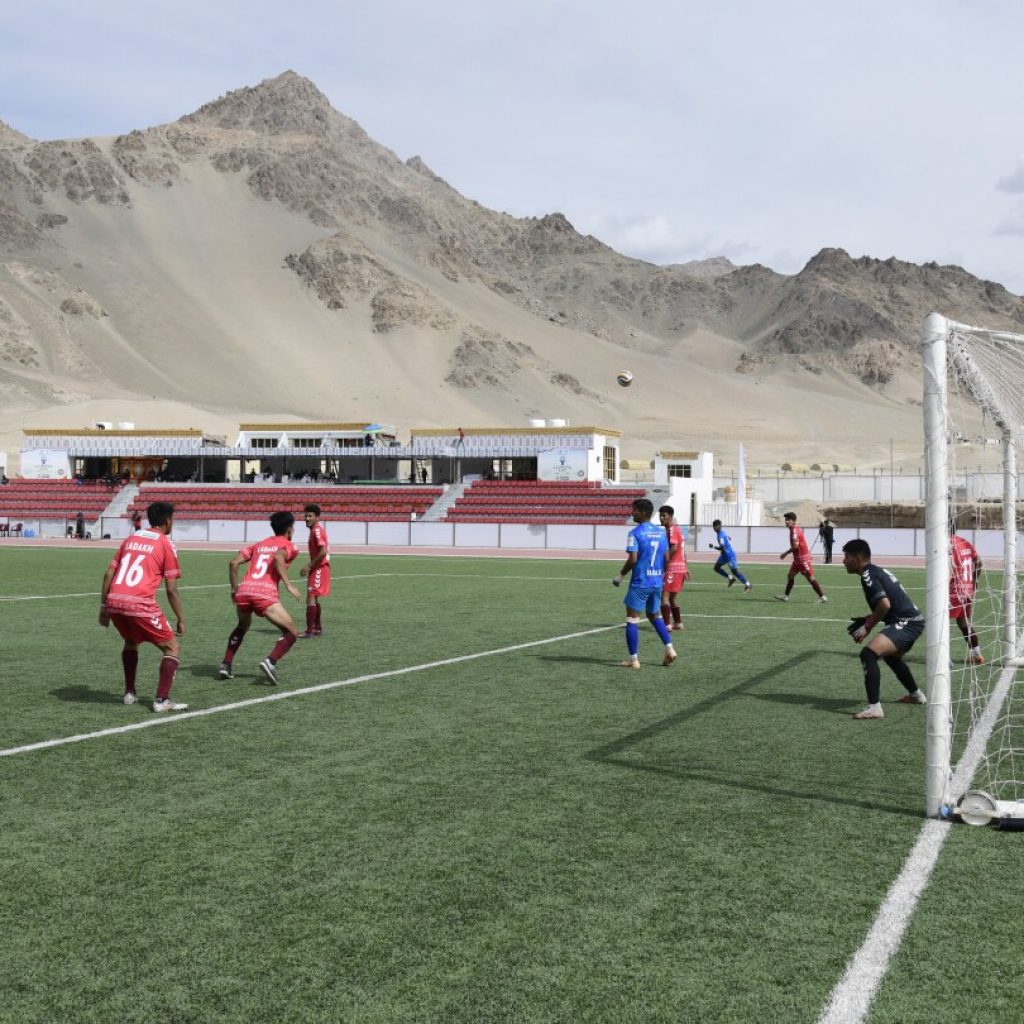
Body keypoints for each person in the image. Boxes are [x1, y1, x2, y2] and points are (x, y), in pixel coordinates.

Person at [98, 500, 187, 712]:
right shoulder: (166, 544)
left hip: (115, 601)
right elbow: (172, 589)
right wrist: (181, 618)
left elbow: (109, 573)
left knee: (131, 641)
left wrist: (104, 606)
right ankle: (161, 700)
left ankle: (129, 693)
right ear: (168, 520)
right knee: (172, 647)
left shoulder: (132, 538)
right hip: (139, 602)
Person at [842, 538, 926, 719]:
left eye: (846, 557)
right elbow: (889, 605)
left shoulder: (868, 576)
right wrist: (867, 619)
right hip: (913, 620)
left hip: (907, 621)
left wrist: (867, 626)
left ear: (857, 558)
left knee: (868, 654)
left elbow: (884, 605)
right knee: (890, 657)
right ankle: (916, 694)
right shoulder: (875, 571)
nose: (843, 561)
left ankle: (875, 708)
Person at [219, 511, 301, 685]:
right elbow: (279, 557)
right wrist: (288, 584)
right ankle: (270, 662)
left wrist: (234, 589)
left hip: (244, 590)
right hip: (264, 594)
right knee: (292, 632)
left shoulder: (259, 544)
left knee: (242, 626)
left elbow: (233, 563)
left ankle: (226, 664)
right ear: (289, 530)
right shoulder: (290, 545)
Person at [613, 498, 677, 669]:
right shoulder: (661, 532)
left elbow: (633, 559)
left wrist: (620, 575)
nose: (631, 513)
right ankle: (669, 648)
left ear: (642, 512)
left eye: (634, 510)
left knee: (632, 620)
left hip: (640, 583)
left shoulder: (635, 533)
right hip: (656, 582)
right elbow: (666, 558)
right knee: (654, 616)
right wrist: (660, 575)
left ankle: (633, 660)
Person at [950, 522, 984, 664]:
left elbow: (948, 569)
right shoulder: (964, 542)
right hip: (968, 589)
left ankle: (944, 660)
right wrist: (974, 581)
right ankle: (977, 656)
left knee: (940, 624)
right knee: (963, 622)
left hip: (953, 591)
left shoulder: (946, 544)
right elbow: (980, 563)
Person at [775, 512, 827, 602]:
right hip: (798, 560)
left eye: (788, 520)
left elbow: (796, 546)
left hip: (802, 561)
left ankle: (822, 597)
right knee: (790, 575)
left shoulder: (794, 531)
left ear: (793, 521)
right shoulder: (795, 529)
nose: (786, 522)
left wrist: (785, 553)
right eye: (785, 520)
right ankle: (786, 596)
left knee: (810, 578)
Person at [298, 503, 330, 638]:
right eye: (305, 516)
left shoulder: (316, 531)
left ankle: (309, 631)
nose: (306, 518)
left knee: (311, 598)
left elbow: (323, 551)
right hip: (317, 568)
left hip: (319, 568)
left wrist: (309, 566)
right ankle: (317, 628)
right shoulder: (314, 530)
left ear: (317, 517)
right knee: (312, 598)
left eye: (310, 516)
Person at [658, 505, 689, 631]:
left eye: (664, 515)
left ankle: (666, 625)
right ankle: (678, 623)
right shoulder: (677, 529)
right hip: (679, 568)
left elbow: (675, 548)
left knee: (664, 596)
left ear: (670, 516)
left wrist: (662, 560)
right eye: (660, 515)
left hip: (673, 568)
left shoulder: (671, 529)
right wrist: (685, 567)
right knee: (672, 598)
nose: (661, 518)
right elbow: (683, 550)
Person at [709, 519, 751, 591]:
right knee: (716, 567)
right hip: (724, 555)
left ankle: (748, 585)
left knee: (735, 572)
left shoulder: (720, 536)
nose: (714, 528)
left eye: (715, 526)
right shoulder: (721, 533)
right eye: (713, 526)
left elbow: (722, 547)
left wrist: (713, 547)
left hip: (729, 556)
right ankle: (730, 578)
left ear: (718, 526)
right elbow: (729, 538)